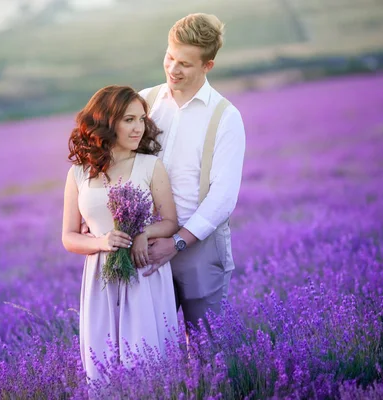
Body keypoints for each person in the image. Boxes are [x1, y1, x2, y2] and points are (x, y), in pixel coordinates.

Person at [62, 85, 179, 381]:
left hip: (142, 272)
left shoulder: (151, 166)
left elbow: (171, 222)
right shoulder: (78, 173)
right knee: (102, 367)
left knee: (147, 361)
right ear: (106, 121)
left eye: (142, 119)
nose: (138, 127)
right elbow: (69, 237)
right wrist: (101, 242)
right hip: (101, 277)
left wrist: (143, 232)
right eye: (129, 120)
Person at [139, 13, 246, 330]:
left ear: (207, 66)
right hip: (147, 246)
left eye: (184, 63)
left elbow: (223, 198)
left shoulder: (225, 117)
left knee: (206, 349)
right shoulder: (145, 102)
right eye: (170, 57)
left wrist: (178, 242)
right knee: (148, 346)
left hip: (199, 250)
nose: (173, 69)